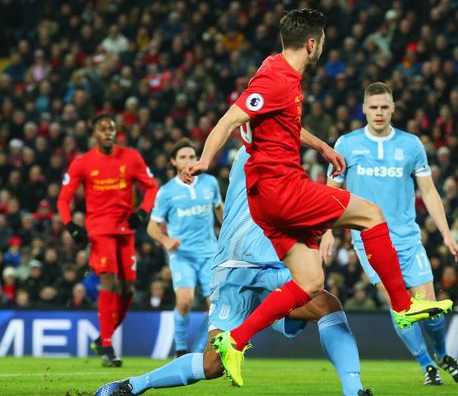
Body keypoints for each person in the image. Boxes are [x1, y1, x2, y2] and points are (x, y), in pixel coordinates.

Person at [180, 8, 452, 387]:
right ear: (312, 44)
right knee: (371, 214)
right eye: (321, 40)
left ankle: (235, 342)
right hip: (283, 190)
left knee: (309, 281)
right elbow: (229, 120)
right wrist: (205, 161)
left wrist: (323, 146)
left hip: (269, 200)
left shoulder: (275, 69)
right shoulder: (277, 80)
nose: (322, 46)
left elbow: (285, 124)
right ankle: (403, 307)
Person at [96, 146, 372, 396]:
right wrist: (322, 146)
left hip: (276, 267)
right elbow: (257, 119)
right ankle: (133, 385)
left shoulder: (291, 172)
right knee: (213, 364)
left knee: (328, 305)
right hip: (234, 270)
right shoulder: (250, 152)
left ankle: (354, 391)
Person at [323, 82, 458, 386]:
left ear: (393, 108)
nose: (378, 112)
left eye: (384, 107)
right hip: (368, 241)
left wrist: (446, 233)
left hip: (407, 239)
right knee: (399, 305)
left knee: (429, 308)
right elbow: (331, 193)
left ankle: (443, 355)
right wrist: (326, 233)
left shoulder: (411, 145)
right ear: (364, 109)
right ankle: (426, 364)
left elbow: (429, 192)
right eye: (373, 107)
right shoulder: (346, 145)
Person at [56, 112, 159, 367]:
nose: (108, 132)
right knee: (109, 281)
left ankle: (103, 336)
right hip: (99, 229)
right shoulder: (82, 162)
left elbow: (152, 187)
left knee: (129, 290)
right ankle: (107, 347)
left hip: (125, 229)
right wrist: (71, 226)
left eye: (111, 128)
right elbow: (63, 199)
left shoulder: (131, 157)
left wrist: (143, 213)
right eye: (103, 128)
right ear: (95, 133)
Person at [147, 139, 224, 357]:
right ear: (173, 162)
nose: (189, 160)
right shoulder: (167, 192)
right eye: (183, 157)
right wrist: (165, 240)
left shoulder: (210, 183)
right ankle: (180, 349)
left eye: (192, 156)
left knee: (216, 305)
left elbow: (220, 210)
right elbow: (152, 227)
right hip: (182, 256)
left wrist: (228, 232)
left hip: (210, 253)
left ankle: (204, 350)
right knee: (185, 301)